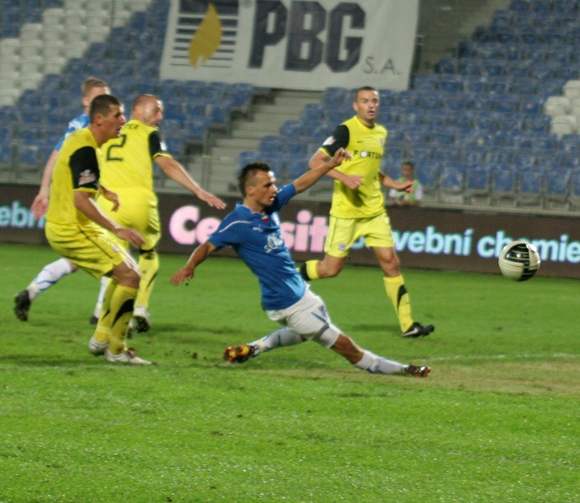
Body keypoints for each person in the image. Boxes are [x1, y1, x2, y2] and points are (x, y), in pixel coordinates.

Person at [169, 155, 430, 379]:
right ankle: (406, 370)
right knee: (350, 350)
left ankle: (254, 348)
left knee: (305, 334)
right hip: (286, 302)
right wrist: (190, 266)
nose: (274, 188)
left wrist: (330, 165)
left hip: (300, 291)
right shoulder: (237, 223)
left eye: (273, 183)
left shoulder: (270, 205)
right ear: (250, 190)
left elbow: (300, 183)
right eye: (267, 184)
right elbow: (207, 246)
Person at [296, 86, 434, 338]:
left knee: (391, 263)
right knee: (330, 269)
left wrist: (393, 183)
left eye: (375, 101)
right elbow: (315, 162)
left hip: (374, 212)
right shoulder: (345, 130)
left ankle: (408, 325)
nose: (371, 105)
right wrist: (344, 178)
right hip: (346, 213)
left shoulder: (381, 132)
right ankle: (296, 275)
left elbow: (372, 169)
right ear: (355, 105)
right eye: (365, 101)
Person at [95, 94, 226, 333]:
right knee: (147, 253)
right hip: (138, 203)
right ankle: (140, 308)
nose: (160, 117)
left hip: (106, 204)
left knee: (118, 265)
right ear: (138, 110)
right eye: (155, 111)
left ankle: (104, 326)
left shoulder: (104, 132)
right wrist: (198, 190)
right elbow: (167, 164)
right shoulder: (148, 134)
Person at [43, 93, 151, 365]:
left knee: (126, 273)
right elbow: (81, 200)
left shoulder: (80, 141)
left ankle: (101, 338)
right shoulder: (86, 148)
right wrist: (117, 228)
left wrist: (102, 189)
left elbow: (71, 171)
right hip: (71, 228)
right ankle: (115, 350)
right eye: (117, 115)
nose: (123, 121)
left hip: (70, 225)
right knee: (130, 277)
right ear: (99, 119)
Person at [15, 77, 112, 322]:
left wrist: (44, 190)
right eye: (98, 99)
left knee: (76, 258)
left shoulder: (86, 125)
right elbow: (60, 159)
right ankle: (101, 312)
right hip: (78, 199)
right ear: (85, 101)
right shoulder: (82, 127)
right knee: (114, 253)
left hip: (81, 195)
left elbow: (56, 156)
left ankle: (31, 291)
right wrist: (44, 190)